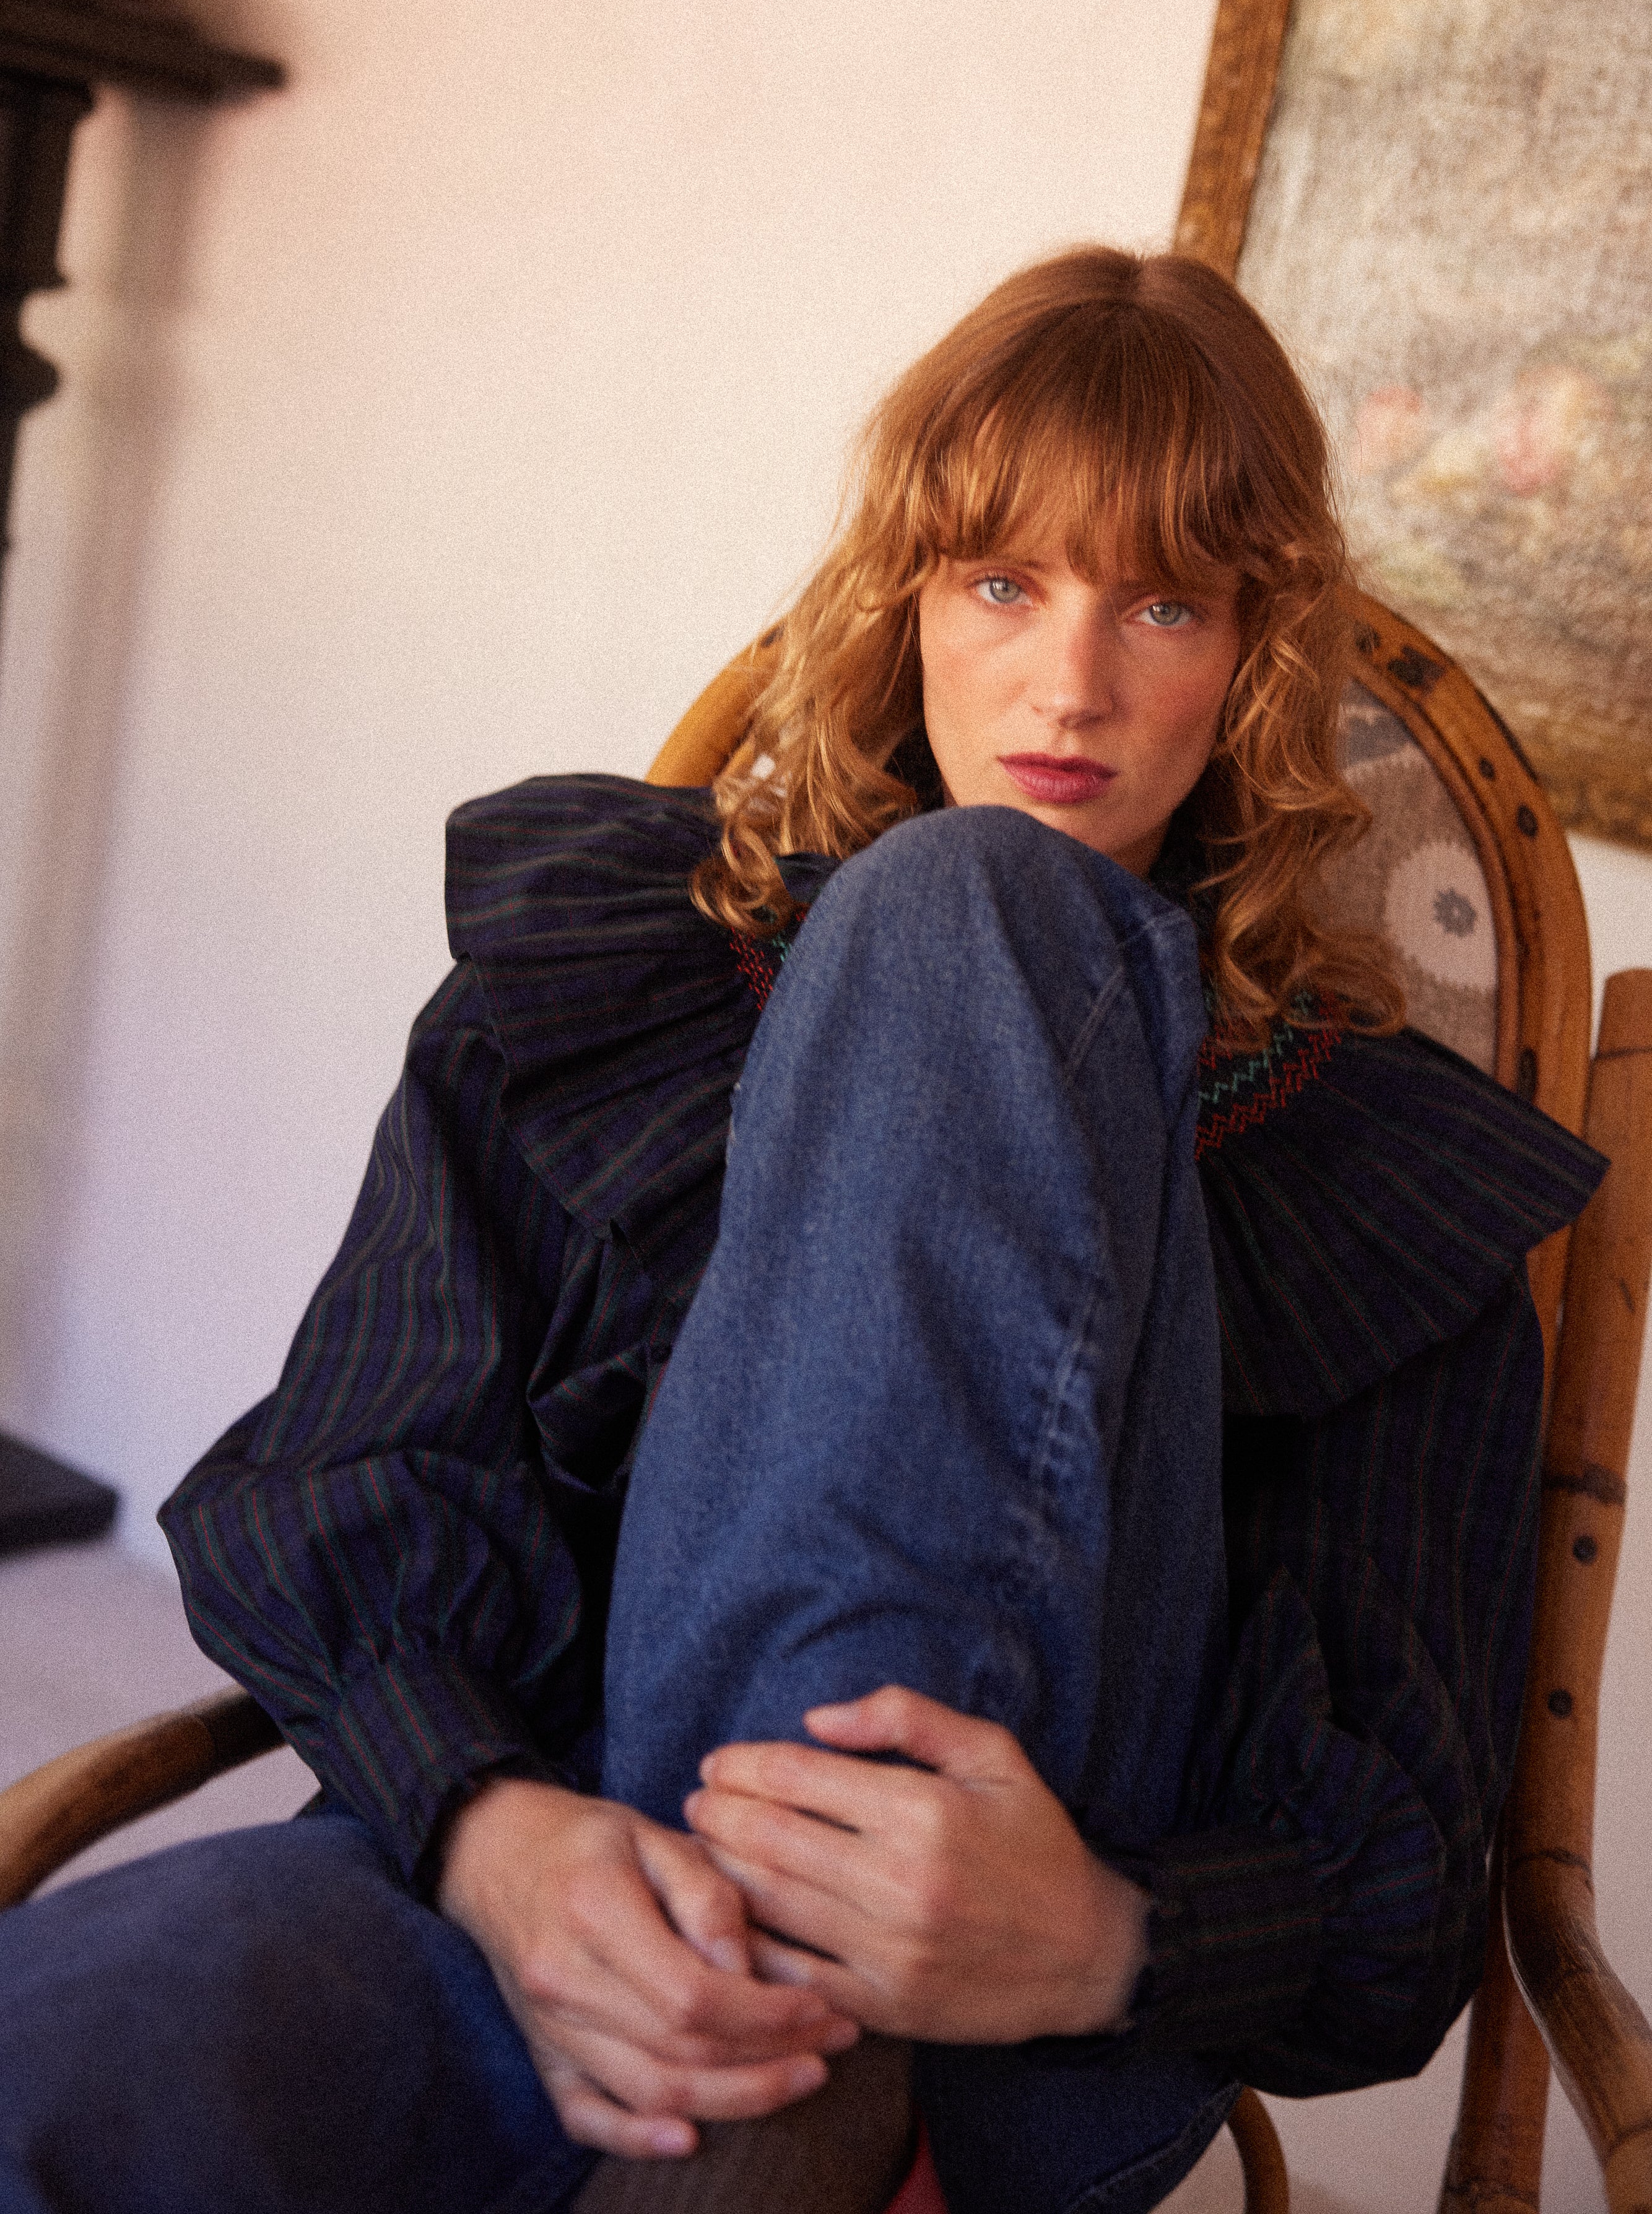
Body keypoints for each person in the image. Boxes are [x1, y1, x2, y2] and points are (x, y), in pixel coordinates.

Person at [0, 249, 1604, 2214]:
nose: (1070, 686)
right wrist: (494, 1833)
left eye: (1163, 604)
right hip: (522, 1896)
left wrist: (1110, 1936)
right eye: (1001, 583)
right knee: (58, 2054)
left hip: (1014, 2025)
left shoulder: (1376, 1172)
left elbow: (1408, 1889)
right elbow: (338, 1478)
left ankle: (781, 2078)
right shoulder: (605, 986)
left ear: (1256, 662)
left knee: (968, 906)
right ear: (906, 600)